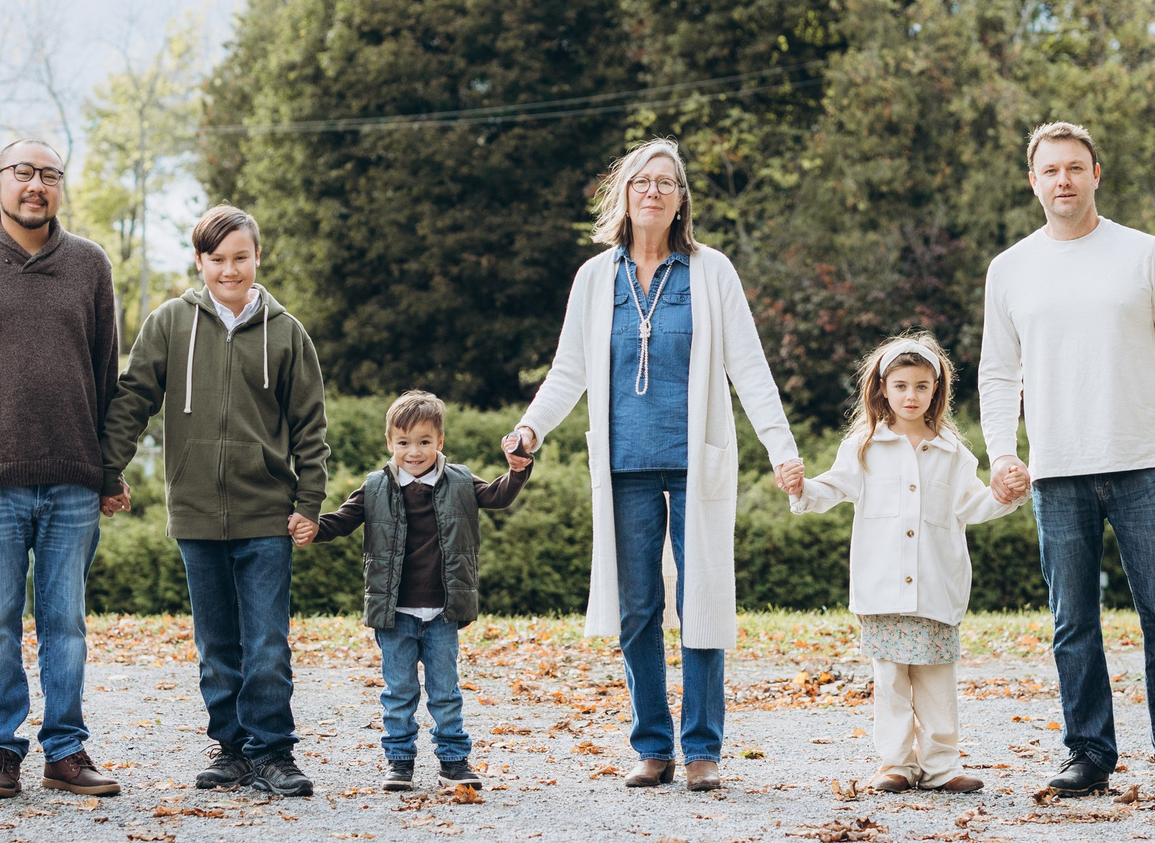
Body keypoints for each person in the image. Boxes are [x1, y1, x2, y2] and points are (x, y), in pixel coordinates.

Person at [506, 138, 804, 794]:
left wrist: (782, 450)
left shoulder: (710, 270)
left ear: (681, 199)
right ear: (624, 194)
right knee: (638, 606)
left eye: (667, 182)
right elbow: (570, 370)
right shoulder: (594, 278)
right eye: (642, 180)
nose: (653, 191)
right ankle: (652, 744)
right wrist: (531, 424)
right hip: (624, 466)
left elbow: (748, 367)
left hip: (695, 461)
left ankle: (701, 748)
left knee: (700, 598)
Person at [979, 119, 1155, 799]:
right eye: (1050, 170)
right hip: (1054, 471)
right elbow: (998, 374)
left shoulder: (1144, 254)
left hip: (1142, 464)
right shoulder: (1011, 269)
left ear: (1097, 174)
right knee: (1073, 622)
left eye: (1074, 167)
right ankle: (1089, 750)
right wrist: (1002, 451)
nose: (1063, 179)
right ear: (1033, 181)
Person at [0, 138, 128, 801]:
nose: (36, 184)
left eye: (50, 174)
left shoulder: (90, 265)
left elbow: (106, 374)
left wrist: (109, 468)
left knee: (65, 623)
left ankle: (65, 750)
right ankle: (1, 751)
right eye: (24, 172)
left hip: (71, 477)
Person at [103, 205, 330, 797]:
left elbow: (309, 424)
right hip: (197, 511)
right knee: (216, 644)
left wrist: (309, 502)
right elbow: (133, 400)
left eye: (241, 258)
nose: (230, 270)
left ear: (257, 257)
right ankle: (230, 748)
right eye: (218, 259)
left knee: (267, 642)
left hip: (267, 514)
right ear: (199, 261)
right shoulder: (170, 324)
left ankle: (273, 751)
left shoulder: (286, 333)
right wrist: (108, 470)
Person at [788, 334, 1024, 793]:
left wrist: (1003, 495)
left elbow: (971, 506)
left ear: (936, 390)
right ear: (882, 389)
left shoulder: (954, 452)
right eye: (900, 386)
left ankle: (942, 766)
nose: (911, 396)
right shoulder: (864, 446)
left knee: (937, 681)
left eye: (921, 386)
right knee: (892, 681)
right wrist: (801, 486)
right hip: (882, 587)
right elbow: (830, 489)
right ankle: (896, 763)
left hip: (936, 585)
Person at [300, 390, 534, 791]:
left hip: (443, 610)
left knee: (446, 691)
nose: (414, 451)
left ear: (439, 442)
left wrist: (517, 469)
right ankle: (400, 762)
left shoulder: (459, 480)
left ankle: (454, 761)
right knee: (399, 691)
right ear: (390, 443)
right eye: (404, 443)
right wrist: (312, 527)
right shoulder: (375, 486)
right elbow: (342, 520)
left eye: (424, 442)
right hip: (394, 612)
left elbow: (497, 496)